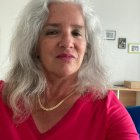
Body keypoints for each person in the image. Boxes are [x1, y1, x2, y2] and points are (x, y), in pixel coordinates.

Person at [0, 0, 139, 140]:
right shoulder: (3, 98)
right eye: (53, 32)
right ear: (34, 44)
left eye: (76, 33)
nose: (67, 42)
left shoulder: (107, 109)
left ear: (87, 47)